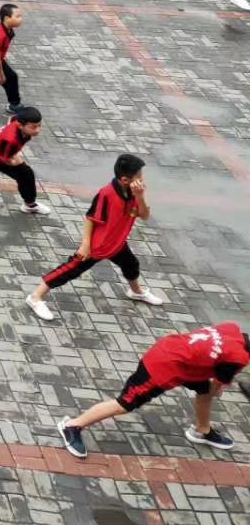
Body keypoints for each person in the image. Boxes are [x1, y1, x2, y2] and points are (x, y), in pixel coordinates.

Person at [58, 323, 248, 458]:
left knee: (204, 392)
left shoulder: (232, 328)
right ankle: (72, 426)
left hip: (178, 355)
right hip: (161, 368)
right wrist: (218, 387)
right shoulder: (238, 358)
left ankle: (201, 430)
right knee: (124, 404)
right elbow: (217, 386)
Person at [26, 153, 162, 321]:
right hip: (98, 246)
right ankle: (35, 297)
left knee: (132, 265)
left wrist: (140, 197)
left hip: (117, 243)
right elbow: (91, 218)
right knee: (69, 270)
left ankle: (136, 291)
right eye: (139, 177)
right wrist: (85, 244)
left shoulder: (135, 193)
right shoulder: (106, 194)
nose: (142, 180)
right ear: (125, 180)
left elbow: (144, 215)